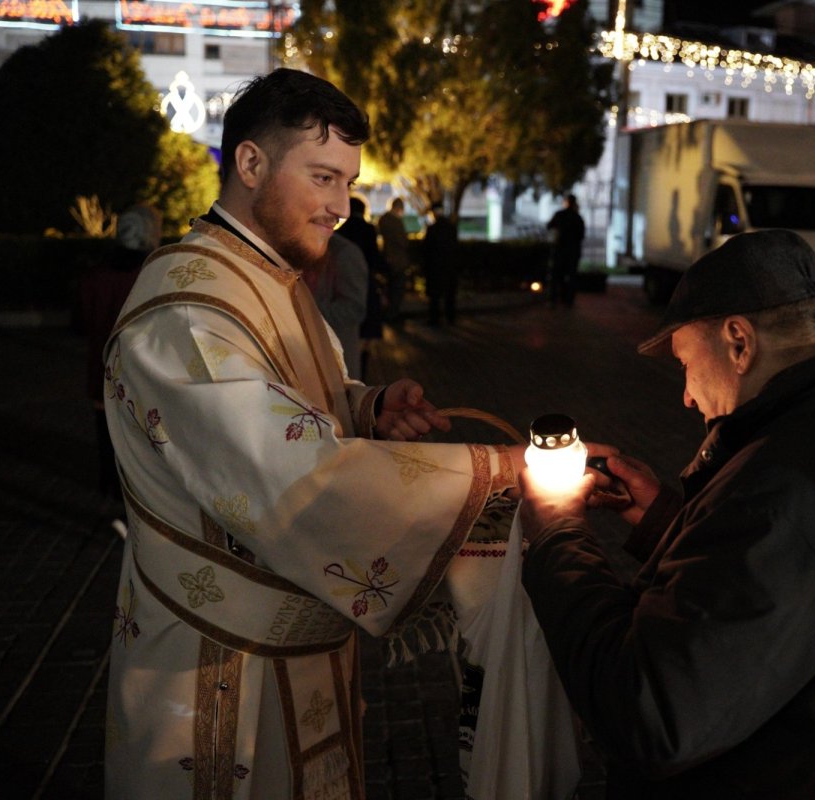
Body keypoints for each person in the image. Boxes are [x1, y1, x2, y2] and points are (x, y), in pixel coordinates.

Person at [101, 68, 524, 800]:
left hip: (299, 647)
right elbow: (290, 470)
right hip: (215, 666)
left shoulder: (267, 276)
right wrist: (499, 477)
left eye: (347, 181)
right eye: (324, 177)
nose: (341, 205)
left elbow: (292, 399)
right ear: (251, 163)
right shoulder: (185, 308)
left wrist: (368, 409)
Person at [516, 229, 815, 798]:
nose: (686, 397)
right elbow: (769, 599)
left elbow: (650, 712)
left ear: (739, 342)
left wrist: (557, 529)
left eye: (687, 363)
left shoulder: (784, 490)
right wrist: (668, 520)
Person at [77, 204, 160, 518]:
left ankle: (108, 483)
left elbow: (82, 320)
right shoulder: (153, 274)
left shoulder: (97, 275)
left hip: (102, 369)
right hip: (143, 373)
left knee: (105, 431)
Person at [337, 195, 389, 378]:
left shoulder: (341, 232)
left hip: (343, 284)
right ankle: (362, 370)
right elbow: (374, 257)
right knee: (366, 334)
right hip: (366, 284)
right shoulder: (368, 229)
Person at [306, 233, 368, 378]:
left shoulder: (344, 253)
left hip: (335, 354)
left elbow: (354, 308)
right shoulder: (298, 247)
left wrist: (303, 309)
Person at [423, 202, 459, 326]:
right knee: (449, 294)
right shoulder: (451, 228)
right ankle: (450, 317)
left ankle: (434, 319)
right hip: (450, 266)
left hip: (435, 267)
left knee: (435, 295)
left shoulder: (432, 229)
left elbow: (427, 250)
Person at [546, 193, 585, 307]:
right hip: (572, 251)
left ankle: (553, 300)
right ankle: (568, 300)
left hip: (560, 250)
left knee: (556, 275)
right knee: (571, 276)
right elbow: (581, 235)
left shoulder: (560, 215)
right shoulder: (577, 217)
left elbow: (549, 226)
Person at [377, 196, 411, 323]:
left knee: (389, 288)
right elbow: (403, 241)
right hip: (398, 260)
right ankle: (393, 314)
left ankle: (389, 312)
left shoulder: (383, 219)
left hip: (387, 258)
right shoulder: (396, 222)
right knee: (397, 289)